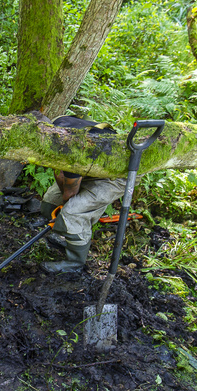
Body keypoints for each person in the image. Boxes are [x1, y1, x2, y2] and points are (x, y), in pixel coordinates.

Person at [37, 117, 126, 274]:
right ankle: (70, 240)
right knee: (49, 203)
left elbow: (70, 193)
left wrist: (64, 210)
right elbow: (60, 174)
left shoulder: (71, 148)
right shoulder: (57, 125)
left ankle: (75, 263)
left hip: (119, 173)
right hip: (93, 164)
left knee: (73, 212)